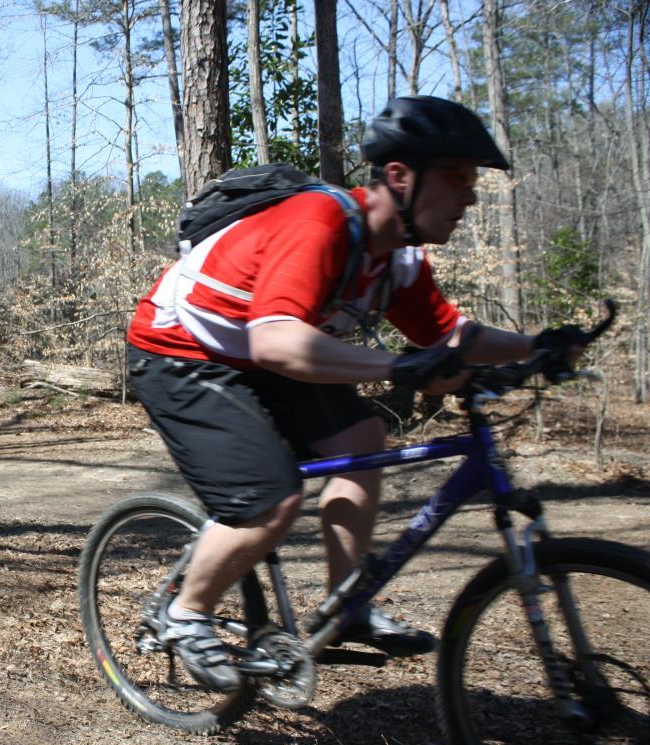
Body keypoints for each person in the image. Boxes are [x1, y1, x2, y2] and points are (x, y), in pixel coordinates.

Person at [125, 96, 590, 691]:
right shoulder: (317, 223)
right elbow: (276, 344)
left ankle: (346, 606)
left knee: (363, 439)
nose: (470, 197)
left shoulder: (397, 259)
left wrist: (535, 345)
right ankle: (185, 614)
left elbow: (452, 335)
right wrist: (400, 366)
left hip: (265, 352)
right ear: (399, 176)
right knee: (270, 501)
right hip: (181, 349)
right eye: (456, 178)